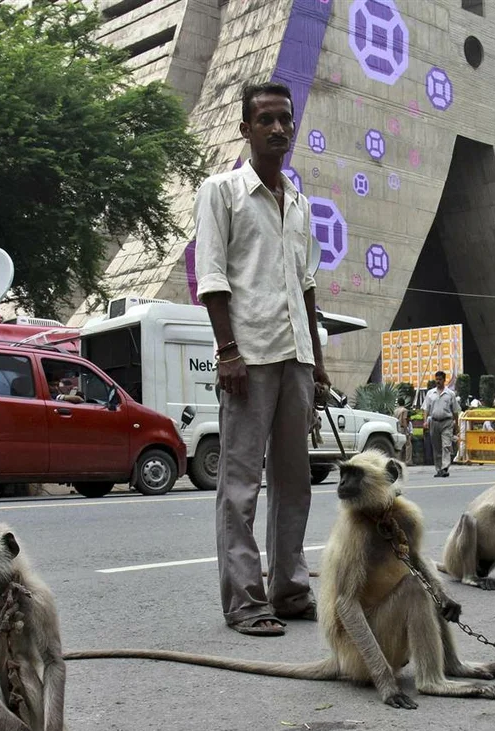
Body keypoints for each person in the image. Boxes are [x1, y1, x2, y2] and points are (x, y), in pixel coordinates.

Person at [194, 81, 329, 638]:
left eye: (285, 120)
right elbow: (212, 279)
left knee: (295, 483)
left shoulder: (298, 204)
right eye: (266, 120)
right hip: (247, 360)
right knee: (241, 485)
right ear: (245, 130)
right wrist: (228, 351)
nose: (277, 129)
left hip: (296, 357)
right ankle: (246, 601)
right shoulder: (222, 192)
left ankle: (290, 589)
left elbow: (308, 286)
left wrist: (318, 365)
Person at [423, 370, 460, 477]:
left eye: (440, 379)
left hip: (447, 423)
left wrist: (456, 424)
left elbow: (455, 411)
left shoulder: (450, 394)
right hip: (434, 422)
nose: (438, 381)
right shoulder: (430, 394)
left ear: (444, 380)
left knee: (446, 445)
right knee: (436, 446)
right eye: (437, 379)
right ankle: (439, 468)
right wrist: (425, 421)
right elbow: (426, 408)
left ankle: (445, 467)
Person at [393, 397, 413, 464]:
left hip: (396, 428)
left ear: (398, 403)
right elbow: (404, 419)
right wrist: (406, 430)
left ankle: (398, 461)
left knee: (399, 445)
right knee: (408, 445)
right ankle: (408, 461)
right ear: (404, 403)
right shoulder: (404, 410)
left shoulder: (395, 410)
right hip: (402, 428)